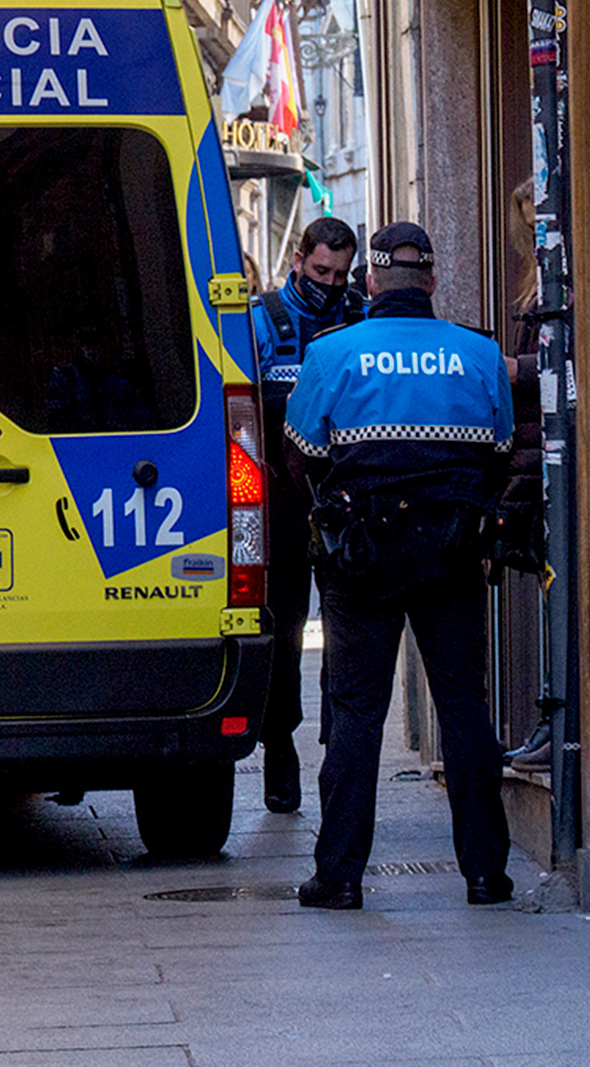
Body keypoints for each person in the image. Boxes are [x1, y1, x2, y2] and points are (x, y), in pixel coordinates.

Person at [284, 221, 515, 910]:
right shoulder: (479, 355)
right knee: (464, 708)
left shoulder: (332, 354)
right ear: (433, 283)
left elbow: (301, 457)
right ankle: (484, 874)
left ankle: (341, 876)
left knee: (357, 714)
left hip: (362, 560)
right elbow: (500, 453)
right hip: (450, 555)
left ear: (372, 282)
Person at [251, 216, 358, 813]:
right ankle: (279, 745)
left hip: (344, 496)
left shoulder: (361, 317)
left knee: (347, 632)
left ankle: (339, 744)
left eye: (341, 274)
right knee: (286, 629)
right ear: (299, 260)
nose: (331, 283)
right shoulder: (263, 319)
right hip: (283, 500)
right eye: (321, 271)